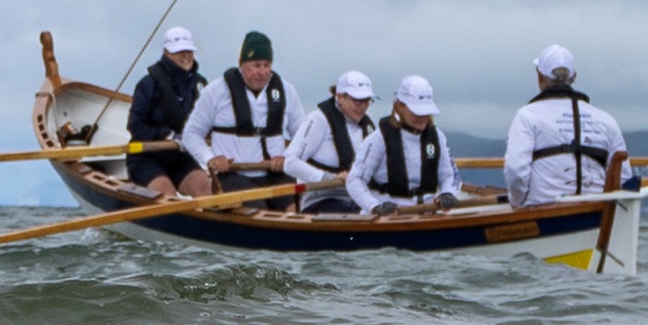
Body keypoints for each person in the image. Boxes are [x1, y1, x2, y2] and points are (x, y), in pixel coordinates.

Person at [505, 45, 634, 207]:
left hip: (542, 214)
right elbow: (623, 178)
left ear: (539, 77)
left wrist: (516, 204)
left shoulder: (527, 116)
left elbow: (517, 173)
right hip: (597, 213)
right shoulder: (606, 120)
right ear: (574, 77)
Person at [183, 31, 297, 193]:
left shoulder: (287, 91)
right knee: (255, 209)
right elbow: (191, 133)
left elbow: (303, 137)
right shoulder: (216, 91)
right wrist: (210, 159)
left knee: (293, 207)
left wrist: (289, 157)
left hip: (275, 175)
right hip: (231, 176)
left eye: (267, 65)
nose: (263, 72)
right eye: (256, 65)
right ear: (242, 65)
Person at [123, 26, 207, 200]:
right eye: (179, 52)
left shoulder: (200, 84)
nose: (185, 57)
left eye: (189, 51)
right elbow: (135, 126)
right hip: (146, 157)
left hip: (179, 157)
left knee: (206, 189)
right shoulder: (148, 85)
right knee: (167, 196)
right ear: (167, 53)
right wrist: (167, 134)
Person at [285, 71, 380, 214]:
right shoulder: (318, 120)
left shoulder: (367, 126)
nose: (363, 107)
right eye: (357, 101)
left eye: (367, 101)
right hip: (321, 199)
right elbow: (289, 162)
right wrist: (328, 178)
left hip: (357, 199)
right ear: (340, 97)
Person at [371, 76, 459, 210]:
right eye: (417, 112)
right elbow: (355, 180)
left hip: (426, 213)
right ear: (399, 107)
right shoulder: (378, 138)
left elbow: (449, 175)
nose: (423, 118)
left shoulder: (437, 137)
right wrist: (374, 207)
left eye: (426, 112)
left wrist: (448, 193)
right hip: (387, 217)